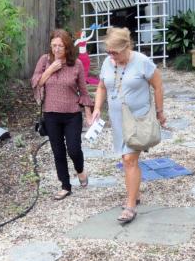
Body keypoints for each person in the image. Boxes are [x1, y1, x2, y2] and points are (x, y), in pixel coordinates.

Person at [90, 27, 165, 225]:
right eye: (109, 52)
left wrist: (159, 112)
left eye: (115, 52)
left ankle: (130, 205)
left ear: (126, 47)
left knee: (129, 158)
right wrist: (97, 108)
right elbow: (101, 86)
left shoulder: (142, 62)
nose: (111, 56)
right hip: (117, 119)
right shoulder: (108, 62)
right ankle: (135, 193)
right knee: (126, 159)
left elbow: (157, 85)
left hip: (137, 119)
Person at [31, 29, 94, 199]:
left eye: (61, 46)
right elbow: (36, 83)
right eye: (54, 46)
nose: (57, 49)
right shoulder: (45, 61)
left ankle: (80, 170)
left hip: (72, 114)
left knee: (74, 149)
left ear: (67, 47)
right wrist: (50, 69)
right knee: (58, 151)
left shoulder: (77, 64)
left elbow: (83, 91)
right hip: (51, 114)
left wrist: (88, 115)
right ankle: (65, 185)